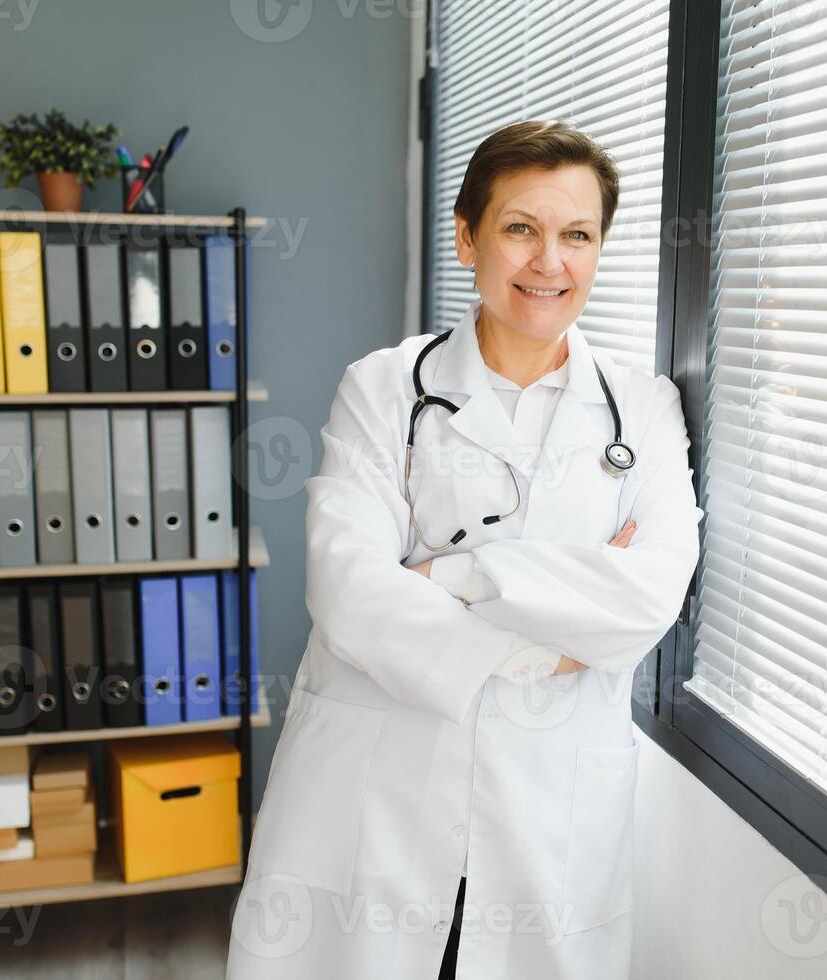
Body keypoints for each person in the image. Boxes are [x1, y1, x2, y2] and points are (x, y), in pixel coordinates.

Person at [227, 120, 704, 979]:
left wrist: (456, 575)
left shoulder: (645, 410)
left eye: (577, 235)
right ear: (467, 235)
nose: (547, 262)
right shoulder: (383, 388)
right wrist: (555, 639)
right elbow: (349, 592)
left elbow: (649, 594)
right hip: (378, 791)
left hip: (548, 806)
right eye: (520, 228)